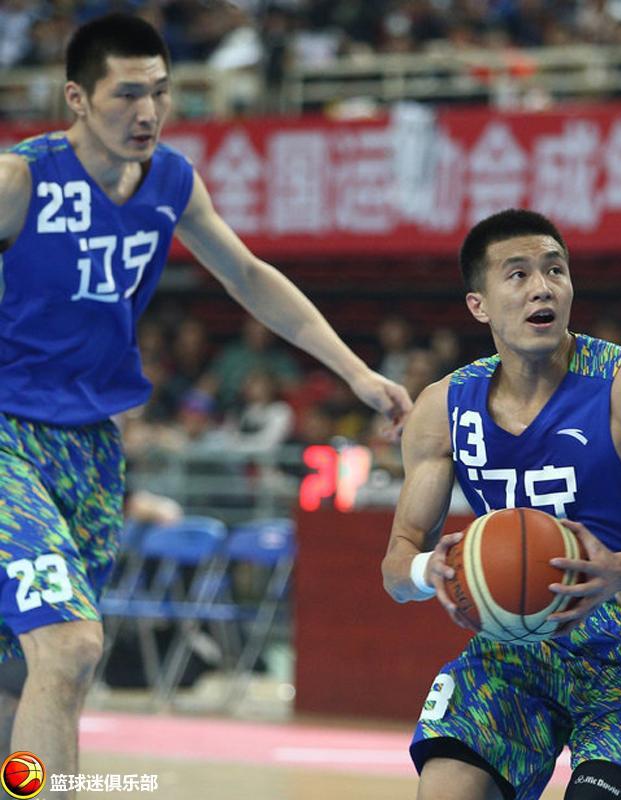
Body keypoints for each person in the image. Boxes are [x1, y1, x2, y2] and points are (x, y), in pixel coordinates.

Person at [0, 14, 411, 798]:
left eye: (160, 92)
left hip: (91, 449)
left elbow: (249, 276)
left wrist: (357, 372)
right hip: (5, 438)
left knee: (24, 673)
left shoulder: (171, 182)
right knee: (71, 647)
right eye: (127, 94)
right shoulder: (21, 181)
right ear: (77, 99)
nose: (148, 111)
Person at [380, 209, 621, 800]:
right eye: (518, 274)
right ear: (479, 305)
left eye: (555, 270)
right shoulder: (442, 408)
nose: (543, 288)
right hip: (512, 653)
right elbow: (396, 568)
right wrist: (434, 570)